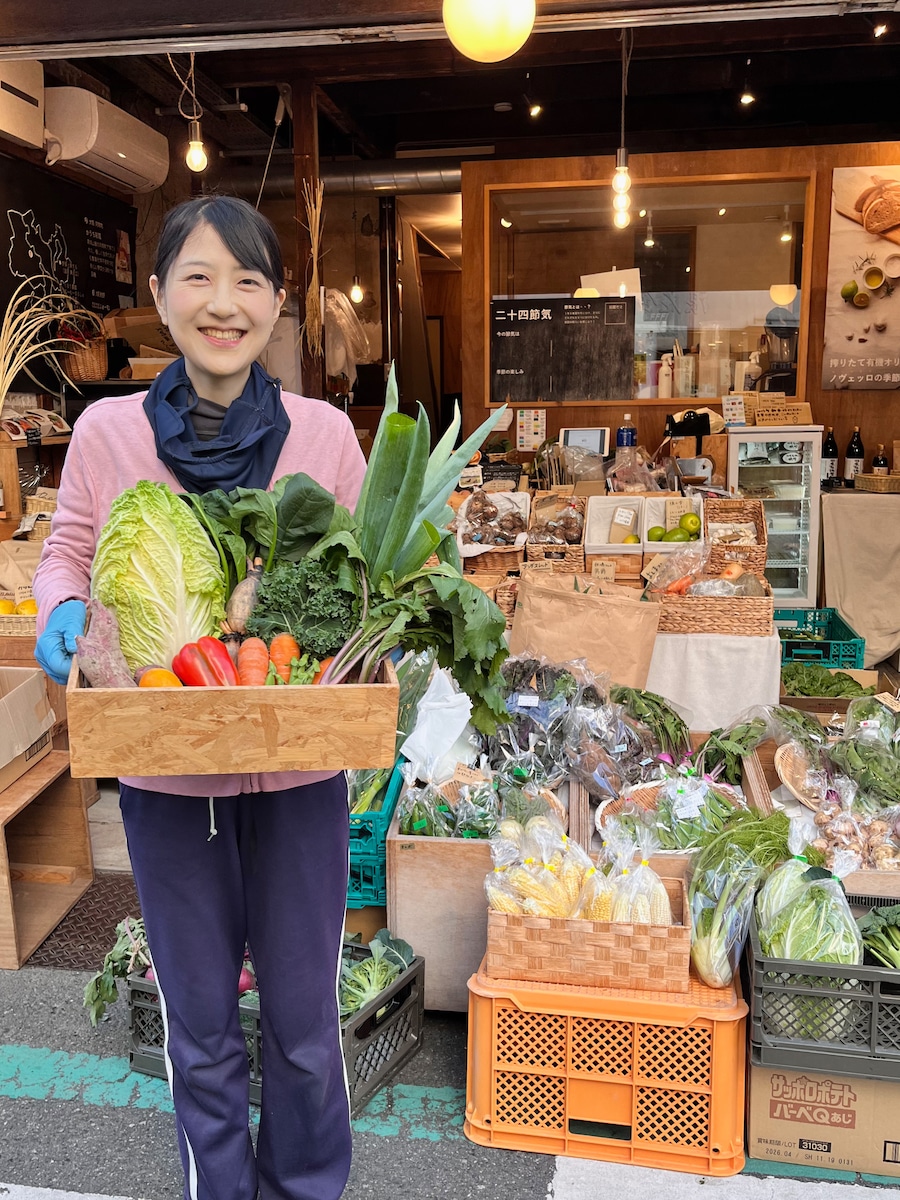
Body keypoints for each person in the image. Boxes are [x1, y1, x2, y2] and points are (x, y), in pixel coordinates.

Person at [33, 194, 367, 1200]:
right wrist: (62, 606)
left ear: (277, 304)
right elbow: (68, 549)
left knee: (304, 1027)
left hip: (300, 772)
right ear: (159, 294)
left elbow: (367, 576)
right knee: (201, 1025)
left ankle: (304, 1187)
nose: (225, 304)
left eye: (249, 281)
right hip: (167, 776)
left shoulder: (324, 435)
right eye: (199, 278)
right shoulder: (107, 432)